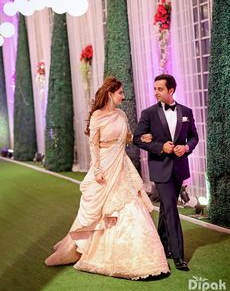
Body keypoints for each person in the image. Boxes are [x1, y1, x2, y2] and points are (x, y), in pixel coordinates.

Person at [45, 76, 169, 280]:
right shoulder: (97, 116)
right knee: (98, 211)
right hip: (104, 166)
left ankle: (144, 259)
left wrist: (142, 138)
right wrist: (97, 169)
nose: (123, 96)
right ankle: (87, 250)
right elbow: (93, 145)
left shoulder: (121, 114)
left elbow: (128, 137)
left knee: (131, 206)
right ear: (111, 94)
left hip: (122, 166)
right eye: (120, 92)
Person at [133, 74, 199, 271]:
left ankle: (162, 244)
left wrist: (186, 148)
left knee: (165, 210)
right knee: (171, 209)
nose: (155, 92)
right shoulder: (148, 113)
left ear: (171, 91)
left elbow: (194, 137)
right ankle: (178, 255)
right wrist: (162, 147)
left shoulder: (186, 111)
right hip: (160, 169)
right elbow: (137, 138)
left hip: (179, 168)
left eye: (159, 89)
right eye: (154, 89)